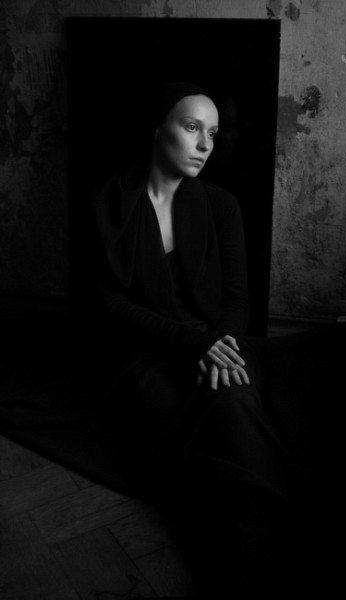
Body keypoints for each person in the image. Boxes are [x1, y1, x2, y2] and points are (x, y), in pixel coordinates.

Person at [87, 82, 314, 597]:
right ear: (157, 128)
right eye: (192, 128)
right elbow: (109, 304)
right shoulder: (109, 201)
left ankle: (270, 552)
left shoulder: (221, 205)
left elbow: (238, 301)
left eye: (212, 132)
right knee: (186, 427)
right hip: (145, 352)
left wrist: (217, 347)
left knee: (233, 399)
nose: (205, 145)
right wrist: (193, 346)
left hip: (217, 342)